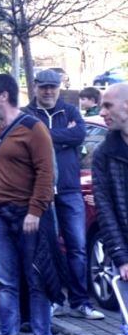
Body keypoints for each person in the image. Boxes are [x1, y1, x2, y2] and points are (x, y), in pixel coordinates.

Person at [0, 73, 61, 335]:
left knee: (37, 280)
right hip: (1, 217)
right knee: (6, 283)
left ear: (3, 95)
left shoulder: (33, 128)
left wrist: (35, 211)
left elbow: (45, 173)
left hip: (29, 218)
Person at [23, 69, 103, 320]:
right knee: (46, 248)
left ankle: (80, 302)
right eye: (44, 86)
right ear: (35, 86)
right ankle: (54, 299)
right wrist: (61, 136)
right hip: (40, 190)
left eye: (53, 87)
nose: (48, 91)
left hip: (70, 188)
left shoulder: (70, 112)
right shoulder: (26, 114)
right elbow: (26, 141)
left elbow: (79, 134)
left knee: (77, 246)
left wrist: (43, 135)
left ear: (59, 88)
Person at [90, 83, 128, 335]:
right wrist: (121, 256)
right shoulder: (104, 153)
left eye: (108, 105)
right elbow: (104, 207)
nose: (102, 112)